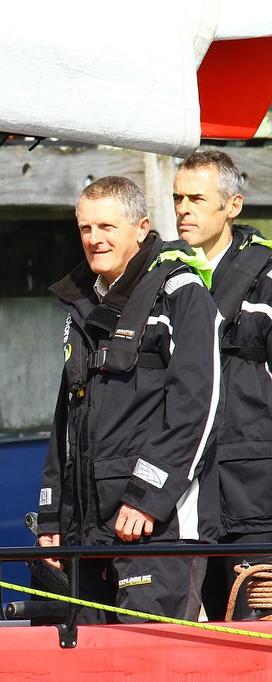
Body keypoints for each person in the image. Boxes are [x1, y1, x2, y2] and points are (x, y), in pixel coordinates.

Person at [36, 176, 220, 623]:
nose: (94, 240)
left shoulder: (180, 294)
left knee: (154, 664)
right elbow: (67, 420)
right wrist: (50, 517)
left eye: (106, 227)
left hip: (158, 529)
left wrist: (147, 498)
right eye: (85, 229)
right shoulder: (82, 303)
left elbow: (199, 407)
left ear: (140, 228)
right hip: (87, 532)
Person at [173, 150, 272, 620]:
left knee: (255, 625)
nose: (183, 209)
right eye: (177, 198)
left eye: (196, 198)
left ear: (233, 205)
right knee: (201, 635)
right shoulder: (165, 280)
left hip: (254, 492)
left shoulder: (267, 280)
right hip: (187, 493)